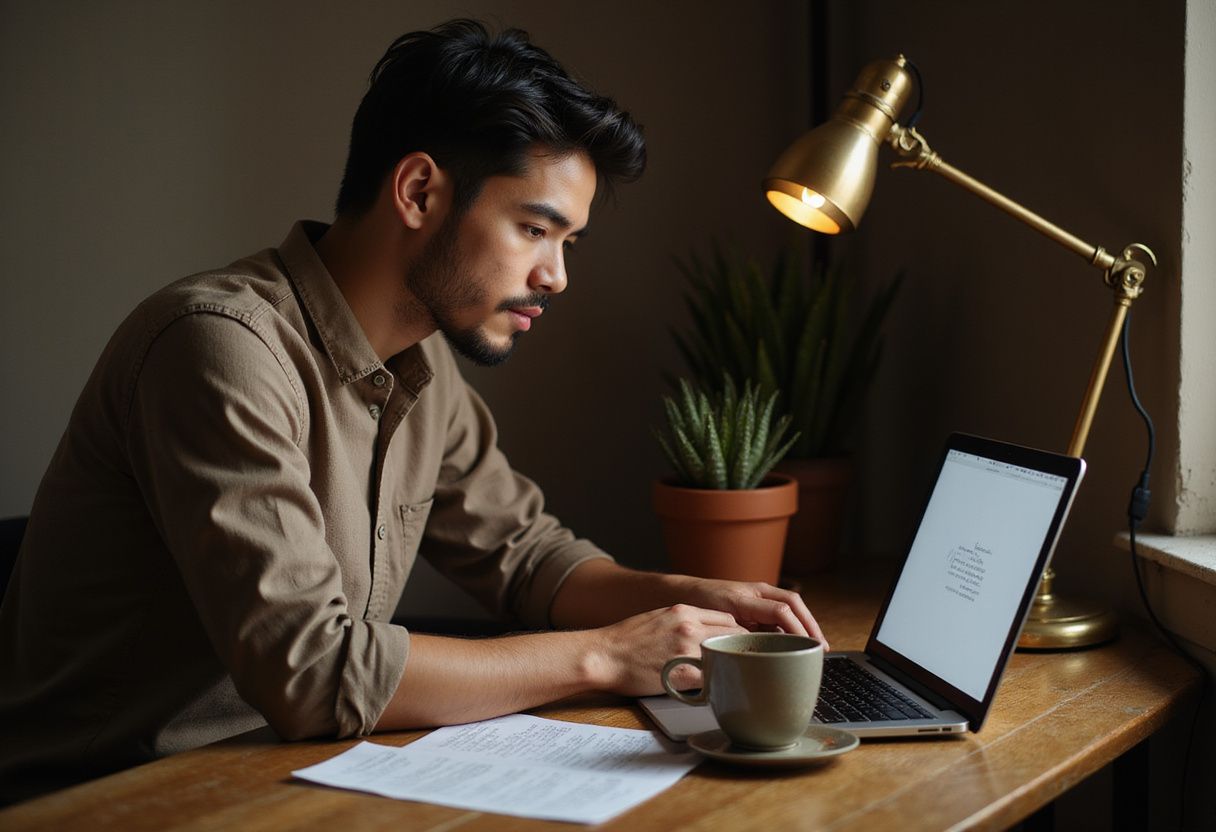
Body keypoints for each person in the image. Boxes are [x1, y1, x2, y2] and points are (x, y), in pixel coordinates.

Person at [0, 19, 826, 804]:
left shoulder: (420, 361)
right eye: (536, 228)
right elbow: (314, 672)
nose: (556, 276)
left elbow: (527, 558)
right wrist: (611, 655)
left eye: (567, 242)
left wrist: (700, 602)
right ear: (420, 190)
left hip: (286, 780)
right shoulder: (218, 348)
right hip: (100, 800)